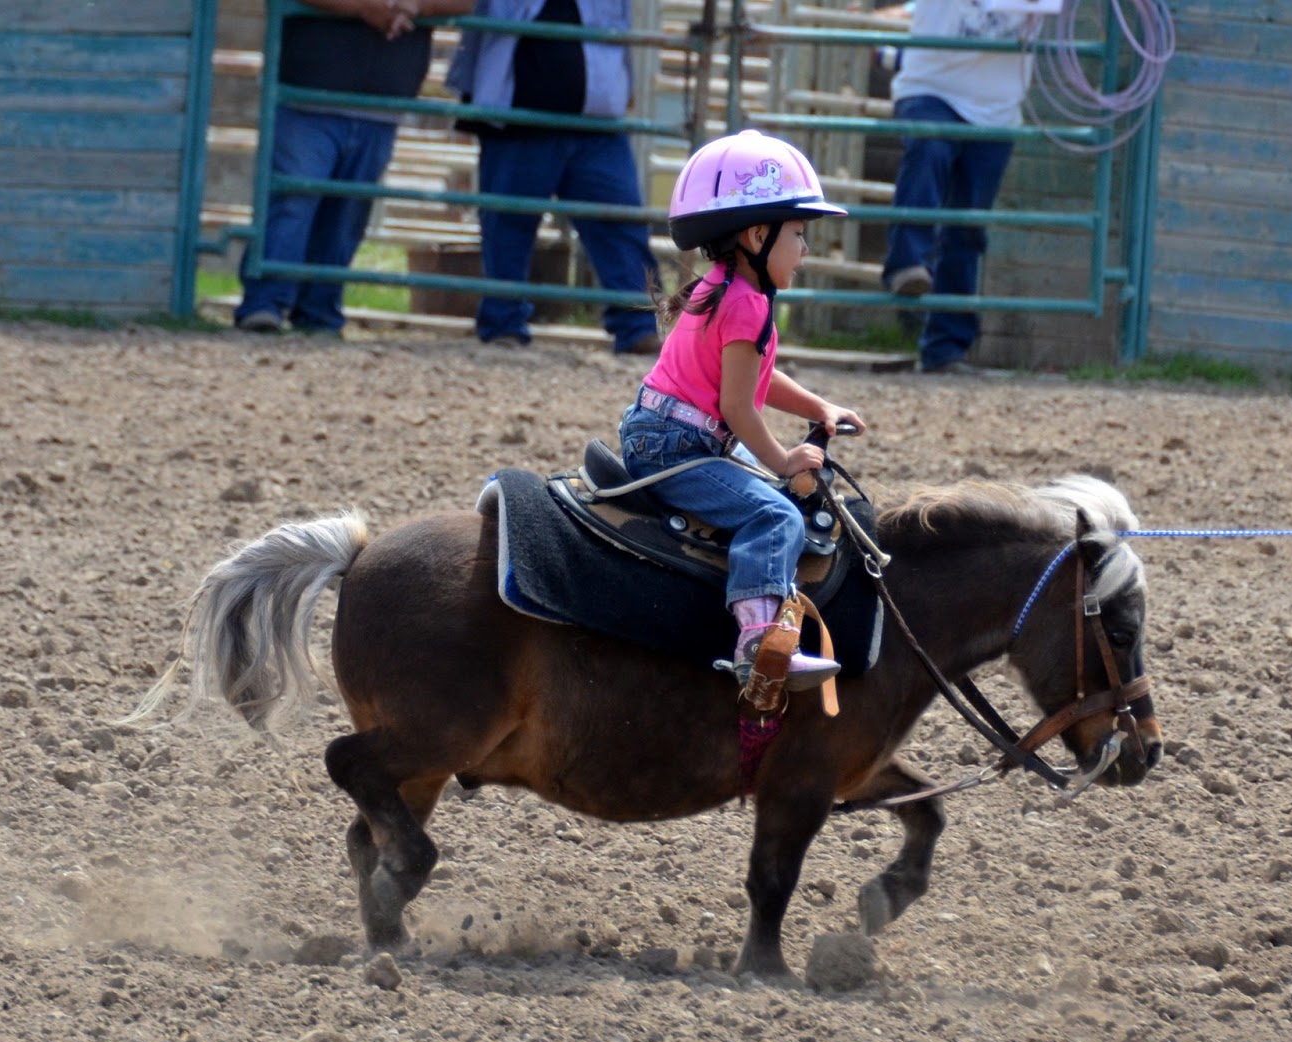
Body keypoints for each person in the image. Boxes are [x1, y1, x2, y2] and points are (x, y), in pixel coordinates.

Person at [619, 130, 866, 692]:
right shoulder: (747, 306)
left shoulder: (721, 289)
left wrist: (819, 405)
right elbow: (738, 403)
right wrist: (783, 461)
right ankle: (761, 645)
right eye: (798, 235)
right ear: (759, 234)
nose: (805, 250)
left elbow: (753, 378)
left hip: (659, 434)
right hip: (679, 446)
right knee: (776, 515)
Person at [233, 0, 472, 337]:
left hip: (378, 101)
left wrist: (414, 4)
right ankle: (267, 303)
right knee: (294, 201)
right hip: (311, 92)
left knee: (346, 214)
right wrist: (364, 6)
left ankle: (315, 310)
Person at [444, 0, 661, 355]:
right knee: (508, 224)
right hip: (517, 117)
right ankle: (504, 323)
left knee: (621, 223)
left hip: (596, 120)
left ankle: (637, 326)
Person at [880, 0, 1037, 374]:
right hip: (932, 91)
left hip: (997, 109)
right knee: (930, 146)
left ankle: (945, 347)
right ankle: (906, 263)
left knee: (967, 224)